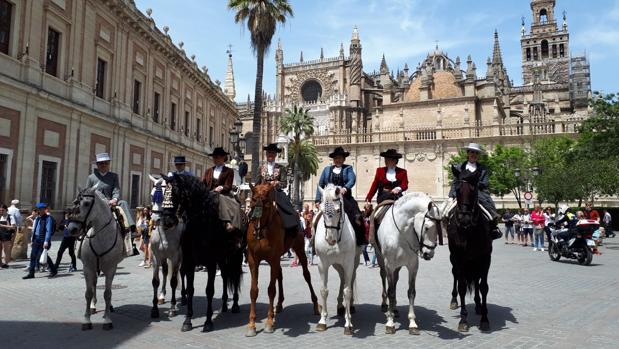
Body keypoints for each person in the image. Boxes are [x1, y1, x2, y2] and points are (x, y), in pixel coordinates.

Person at [448, 143, 502, 240]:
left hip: (478, 193)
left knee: (490, 206)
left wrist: (473, 184)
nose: (474, 154)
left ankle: (493, 228)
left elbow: (485, 183)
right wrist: (451, 195)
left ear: (478, 155)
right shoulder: (460, 167)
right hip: (461, 193)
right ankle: (447, 227)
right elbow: (455, 182)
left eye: (476, 153)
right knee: (446, 211)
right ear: (468, 153)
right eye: (472, 152)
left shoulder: (483, 169)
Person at [85, 152, 135, 255]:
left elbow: (116, 190)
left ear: (108, 164)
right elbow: (87, 192)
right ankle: (80, 241)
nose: (103, 165)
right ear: (97, 165)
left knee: (123, 203)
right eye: (101, 163)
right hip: (96, 205)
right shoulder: (91, 177)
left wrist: (114, 199)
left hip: (110, 203)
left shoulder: (113, 176)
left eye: (105, 163)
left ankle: (129, 230)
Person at [316, 146, 366, 245]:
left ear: (344, 159)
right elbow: (320, 184)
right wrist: (317, 200)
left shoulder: (348, 168)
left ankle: (360, 240)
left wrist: (345, 188)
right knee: (315, 220)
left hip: (345, 198)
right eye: (336, 158)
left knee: (357, 217)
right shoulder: (326, 170)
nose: (337, 160)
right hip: (329, 200)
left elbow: (352, 180)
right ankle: (314, 242)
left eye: (340, 158)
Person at [256, 144, 299, 235]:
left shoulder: (281, 168)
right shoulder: (260, 168)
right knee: (253, 208)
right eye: (269, 153)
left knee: (288, 208)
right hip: (263, 193)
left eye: (272, 153)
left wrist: (277, 183)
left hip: (276, 192)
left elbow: (284, 183)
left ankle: (290, 228)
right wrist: (262, 187)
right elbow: (256, 183)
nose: (270, 155)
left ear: (275, 155)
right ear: (266, 154)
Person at [202, 147, 242, 232]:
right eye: (214, 157)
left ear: (223, 158)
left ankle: (228, 221)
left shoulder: (229, 171)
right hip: (209, 193)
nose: (216, 159)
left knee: (235, 204)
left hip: (223, 193)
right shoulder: (208, 171)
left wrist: (222, 187)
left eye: (218, 157)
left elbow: (228, 185)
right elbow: (203, 184)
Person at [23, 203, 57, 279]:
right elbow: (35, 229)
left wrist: (46, 241)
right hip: (36, 239)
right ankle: (31, 273)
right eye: (39, 209)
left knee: (43, 256)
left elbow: (48, 230)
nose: (40, 211)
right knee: (33, 256)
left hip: (43, 239)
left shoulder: (48, 218)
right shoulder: (38, 218)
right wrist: (32, 240)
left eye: (42, 209)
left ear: (44, 209)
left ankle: (54, 270)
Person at [0, 204, 17, 268]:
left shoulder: (10, 217)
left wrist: (3, 226)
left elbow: (13, 227)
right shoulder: (0, 217)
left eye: (2, 210)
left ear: (6, 210)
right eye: (0, 210)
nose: (1, 212)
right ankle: (0, 263)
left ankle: (6, 263)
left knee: (5, 249)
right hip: (0, 234)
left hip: (6, 234)